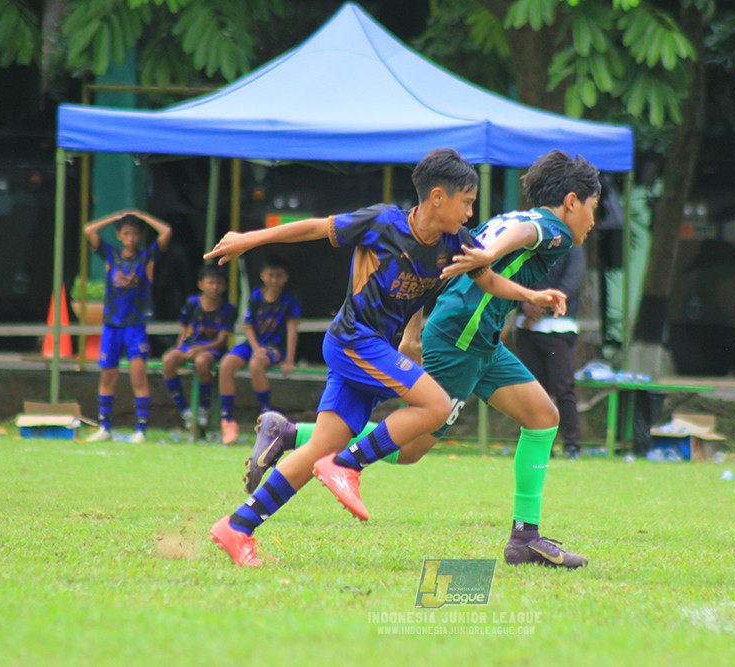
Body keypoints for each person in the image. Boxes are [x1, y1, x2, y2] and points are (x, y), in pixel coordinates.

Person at [203, 148, 566, 567]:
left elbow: (488, 280)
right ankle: (347, 466)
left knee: (319, 446)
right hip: (353, 340)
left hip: (373, 349)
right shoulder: (382, 222)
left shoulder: (455, 244)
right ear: (437, 198)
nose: (471, 213)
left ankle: (237, 527)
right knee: (435, 404)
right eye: (466, 202)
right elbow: (314, 228)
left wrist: (530, 294)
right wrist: (250, 239)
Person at [306, 150, 600, 569]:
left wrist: (413, 330)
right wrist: (489, 254)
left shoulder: (510, 217)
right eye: (592, 208)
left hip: (477, 341)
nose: (591, 219)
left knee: (542, 416)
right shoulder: (552, 226)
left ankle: (525, 538)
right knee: (408, 451)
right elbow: (527, 236)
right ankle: (294, 437)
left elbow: (438, 266)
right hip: (460, 340)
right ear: (572, 201)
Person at [83, 208, 172, 444]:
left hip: (135, 326)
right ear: (119, 235)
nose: (130, 238)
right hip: (112, 325)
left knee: (138, 377)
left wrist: (143, 217)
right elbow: (88, 230)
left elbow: (166, 232)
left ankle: (141, 430)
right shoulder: (111, 255)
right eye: (126, 233)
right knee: (107, 376)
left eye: (135, 234)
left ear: (140, 236)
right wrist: (116, 217)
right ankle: (104, 427)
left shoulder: (146, 258)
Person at [217, 254, 301, 444]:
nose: (274, 280)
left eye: (279, 275)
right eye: (270, 275)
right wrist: (255, 347)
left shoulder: (289, 298)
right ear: (263, 275)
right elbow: (248, 326)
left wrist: (289, 360)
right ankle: (227, 418)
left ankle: (266, 416)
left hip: (275, 347)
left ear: (286, 277)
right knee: (226, 364)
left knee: (257, 364)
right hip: (253, 344)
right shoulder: (256, 295)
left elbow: (292, 329)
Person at [514, 244, 586, 460]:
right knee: (533, 390)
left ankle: (571, 445)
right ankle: (539, 444)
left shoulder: (572, 247)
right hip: (526, 329)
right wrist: (524, 304)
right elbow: (512, 279)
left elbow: (571, 284)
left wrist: (540, 306)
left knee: (562, 387)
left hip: (558, 329)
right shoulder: (528, 243)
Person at [161, 263, 237, 431]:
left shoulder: (228, 309)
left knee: (202, 362)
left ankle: (204, 407)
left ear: (225, 286)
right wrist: (179, 348)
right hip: (190, 346)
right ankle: (184, 409)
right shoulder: (192, 303)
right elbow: (185, 328)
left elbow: (222, 340)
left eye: (219, 283)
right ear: (201, 284)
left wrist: (200, 350)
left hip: (212, 349)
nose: (215, 287)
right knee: (168, 360)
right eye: (211, 282)